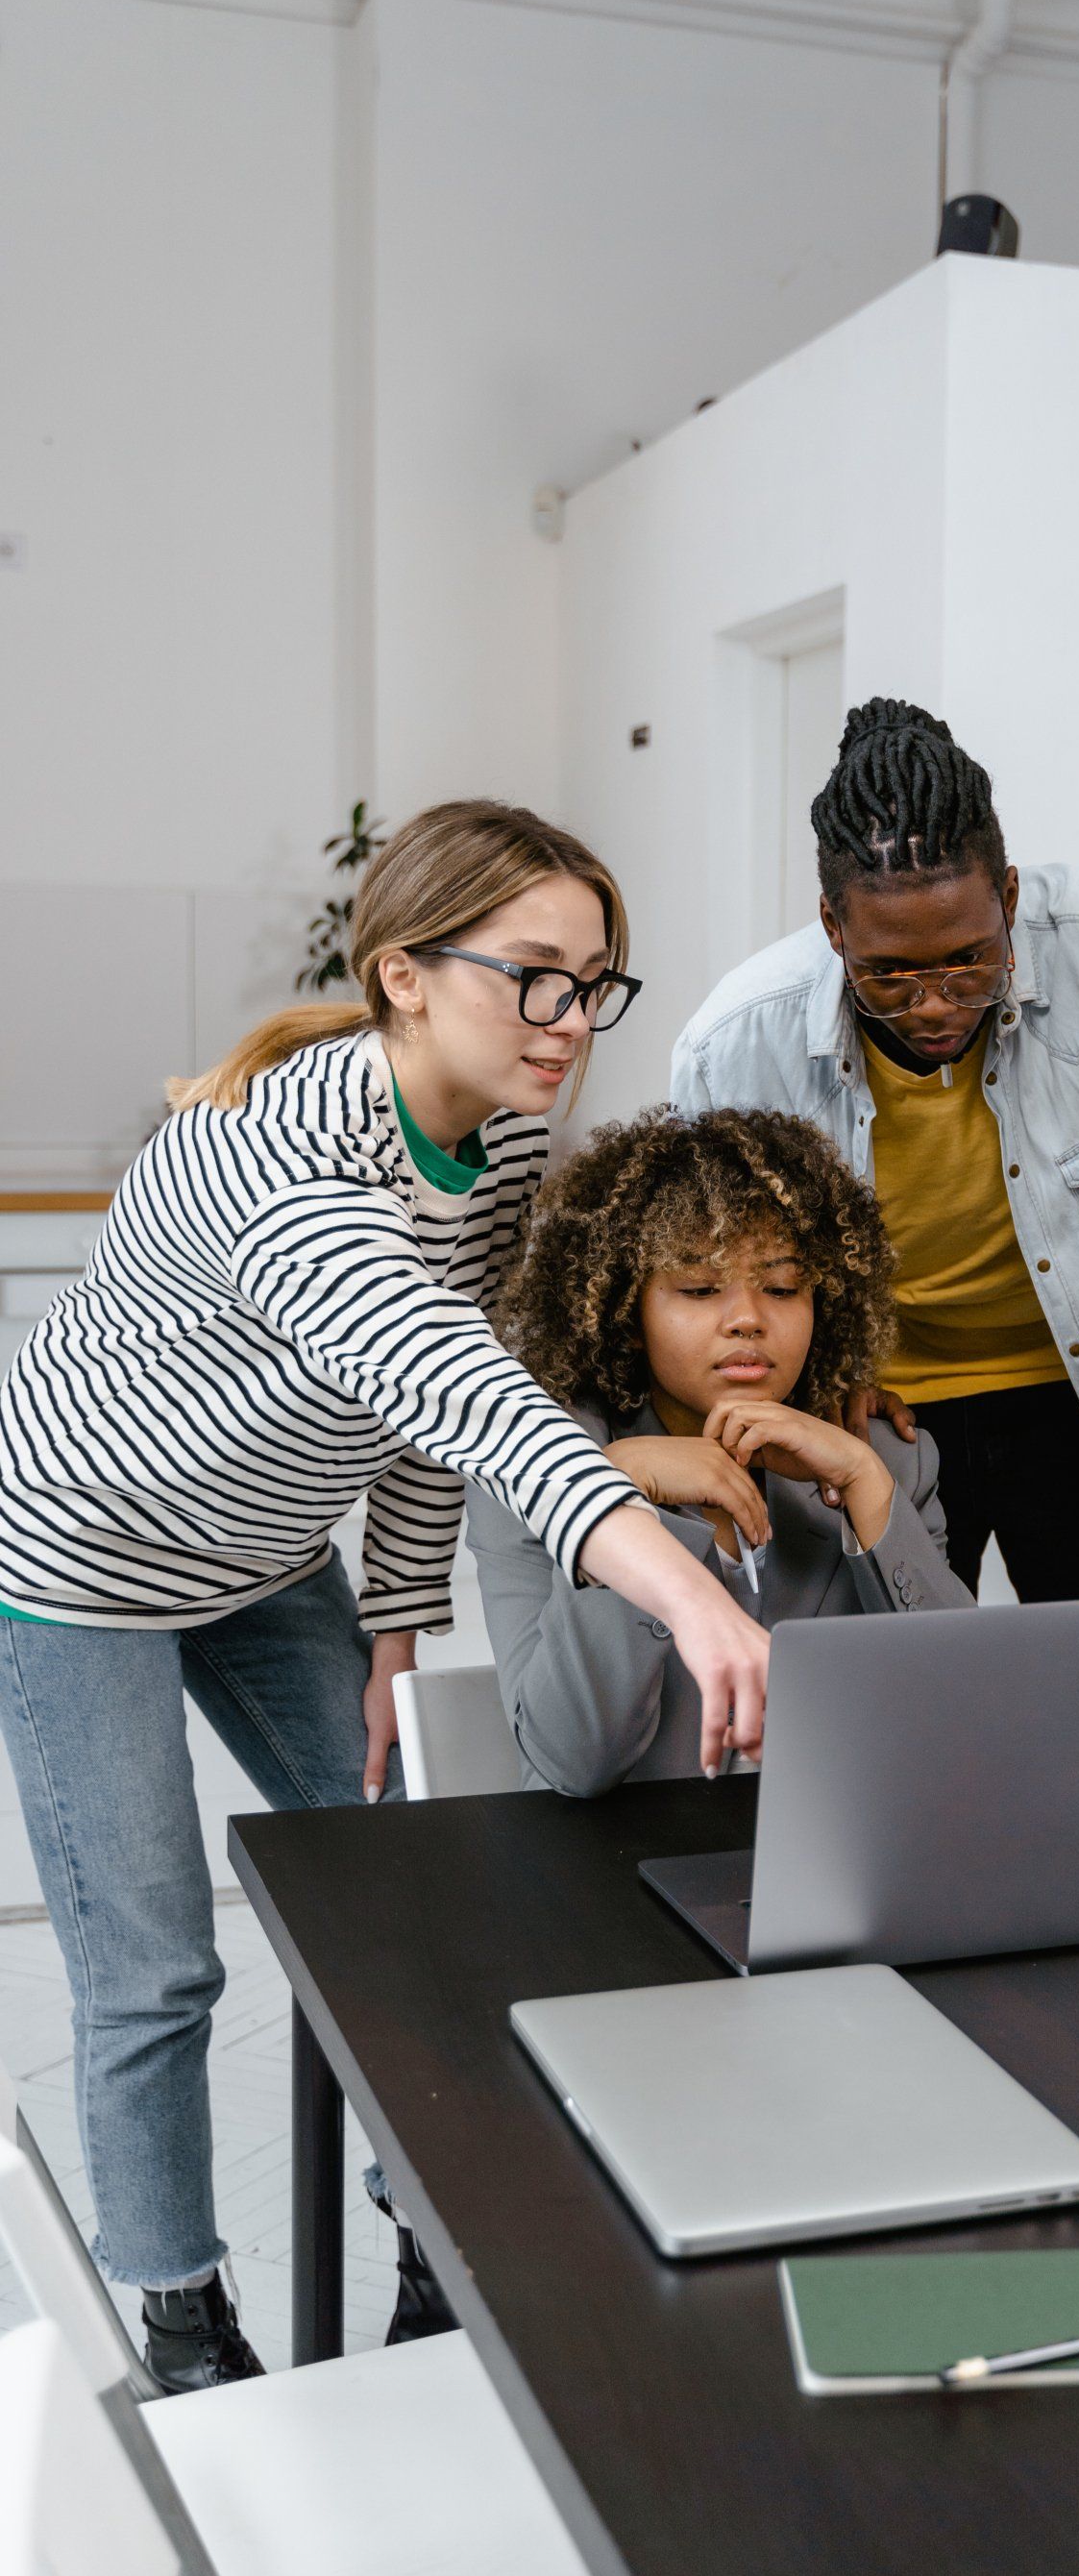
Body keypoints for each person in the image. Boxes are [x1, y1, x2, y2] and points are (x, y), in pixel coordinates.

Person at [0, 802, 772, 2390]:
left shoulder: (495, 1145)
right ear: (404, 973)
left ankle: (431, 2246)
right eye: (536, 979)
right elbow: (461, 1387)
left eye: (596, 984)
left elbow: (422, 1417)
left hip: (271, 1560)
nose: (571, 1023)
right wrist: (688, 1598)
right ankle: (183, 2322)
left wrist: (401, 1616)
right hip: (81, 1566)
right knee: (153, 1966)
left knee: (422, 1896)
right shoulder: (283, 1163)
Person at [671, 698, 1079, 1600]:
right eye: (888, 974)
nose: (934, 1004)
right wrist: (815, 1374)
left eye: (969, 960)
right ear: (834, 929)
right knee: (907, 1687)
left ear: (1010, 897)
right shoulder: (736, 1042)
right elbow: (705, 1265)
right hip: (883, 1410)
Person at [471, 1107, 969, 1788]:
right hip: (610, 1872)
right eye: (700, 1289)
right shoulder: (538, 1462)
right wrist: (621, 1493)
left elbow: (960, 1720)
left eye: (783, 1288)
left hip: (826, 1862)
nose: (746, 1319)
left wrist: (864, 1484)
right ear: (625, 1305)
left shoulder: (887, 1454)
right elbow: (573, 1763)